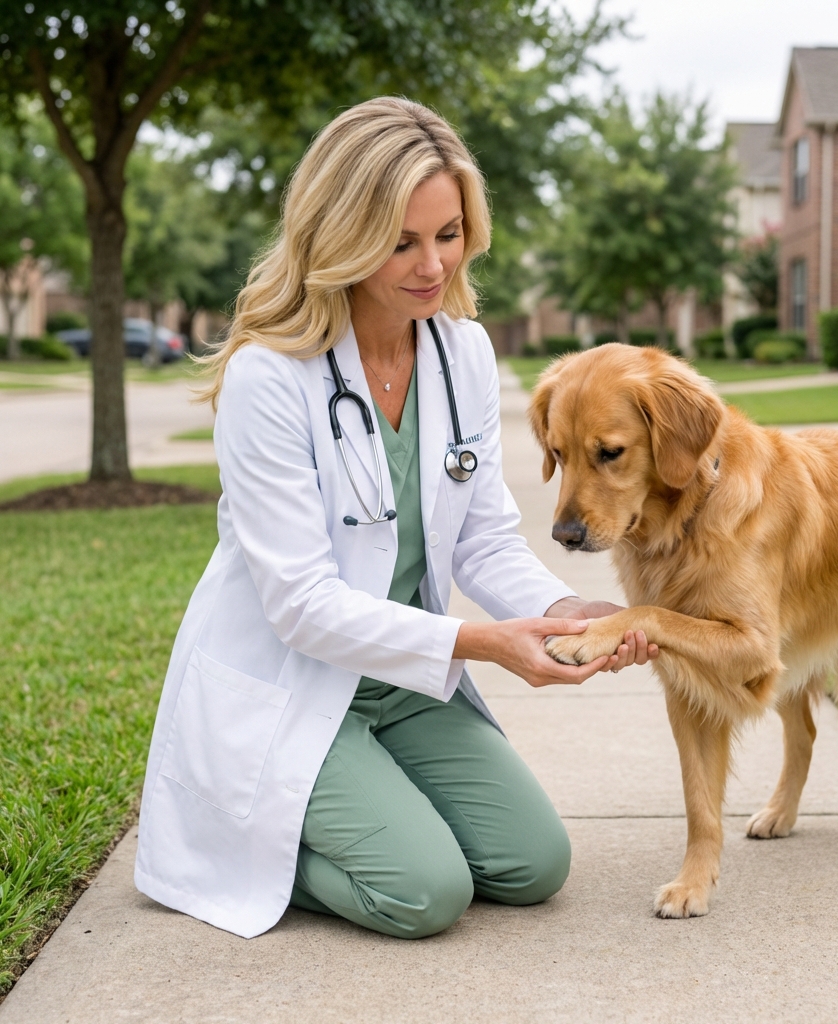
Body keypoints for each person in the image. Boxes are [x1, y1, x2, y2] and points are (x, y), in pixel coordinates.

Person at [134, 97, 656, 941]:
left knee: (531, 864)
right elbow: (300, 604)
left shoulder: (463, 353)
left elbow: (484, 533)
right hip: (296, 680)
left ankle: (362, 812)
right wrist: (487, 645)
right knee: (426, 892)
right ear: (339, 232)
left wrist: (566, 614)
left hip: (407, 683)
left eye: (448, 234)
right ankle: (238, 845)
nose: (432, 266)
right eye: (401, 241)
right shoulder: (269, 377)